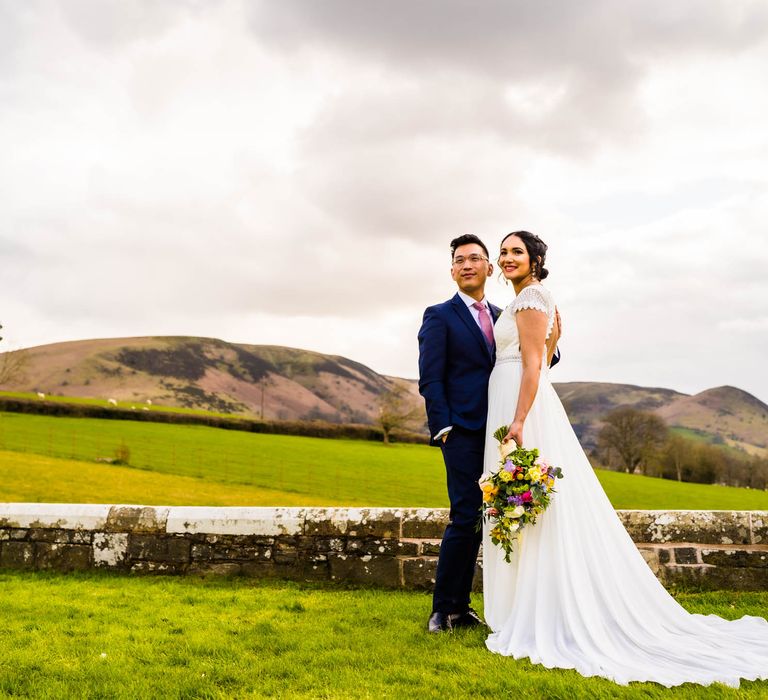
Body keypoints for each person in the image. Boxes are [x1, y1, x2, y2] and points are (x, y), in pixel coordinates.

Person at [482, 230, 768, 687]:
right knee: (520, 504)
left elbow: (537, 364)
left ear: (535, 259)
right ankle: (521, 602)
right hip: (511, 399)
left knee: (529, 503)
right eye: (503, 252)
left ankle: (541, 607)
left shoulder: (533, 298)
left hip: (523, 407)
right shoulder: (528, 300)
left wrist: (518, 422)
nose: (507, 257)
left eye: (517, 251)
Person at [418, 234, 559, 633]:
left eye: (475, 258)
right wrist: (443, 428)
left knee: (489, 516)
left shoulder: (505, 312)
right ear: (452, 270)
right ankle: (444, 610)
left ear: (487, 268)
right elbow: (430, 378)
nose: (466, 265)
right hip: (462, 431)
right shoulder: (439, 315)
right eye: (459, 260)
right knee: (464, 515)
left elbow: (536, 357)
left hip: (502, 432)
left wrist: (553, 334)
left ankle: (465, 609)